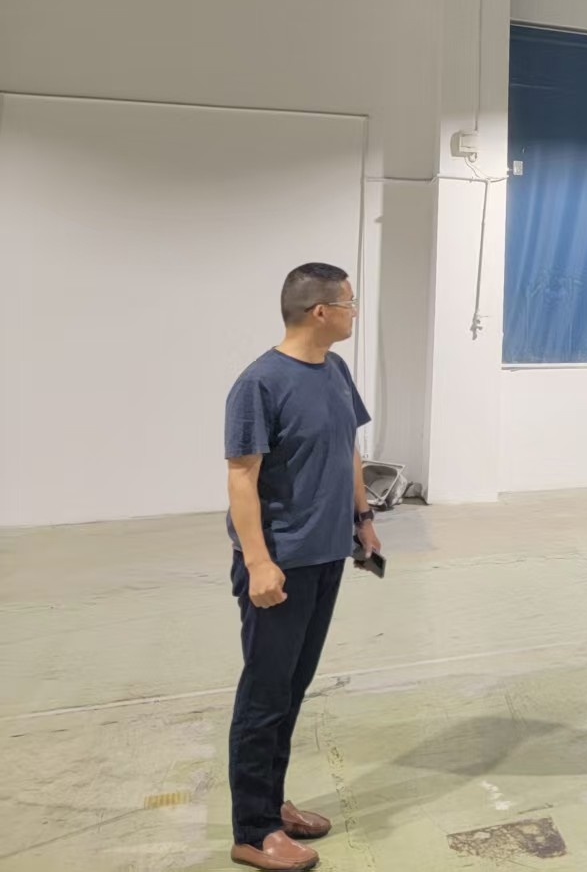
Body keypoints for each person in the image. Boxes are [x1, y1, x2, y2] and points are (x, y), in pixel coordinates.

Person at [224, 263, 381, 872]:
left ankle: (272, 802)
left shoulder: (335, 370)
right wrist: (259, 561)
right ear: (321, 312)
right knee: (264, 695)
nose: (353, 311)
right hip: (280, 566)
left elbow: (348, 449)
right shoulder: (260, 383)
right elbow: (242, 477)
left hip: (326, 555)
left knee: (291, 689)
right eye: (349, 303)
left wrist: (363, 519)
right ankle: (252, 830)